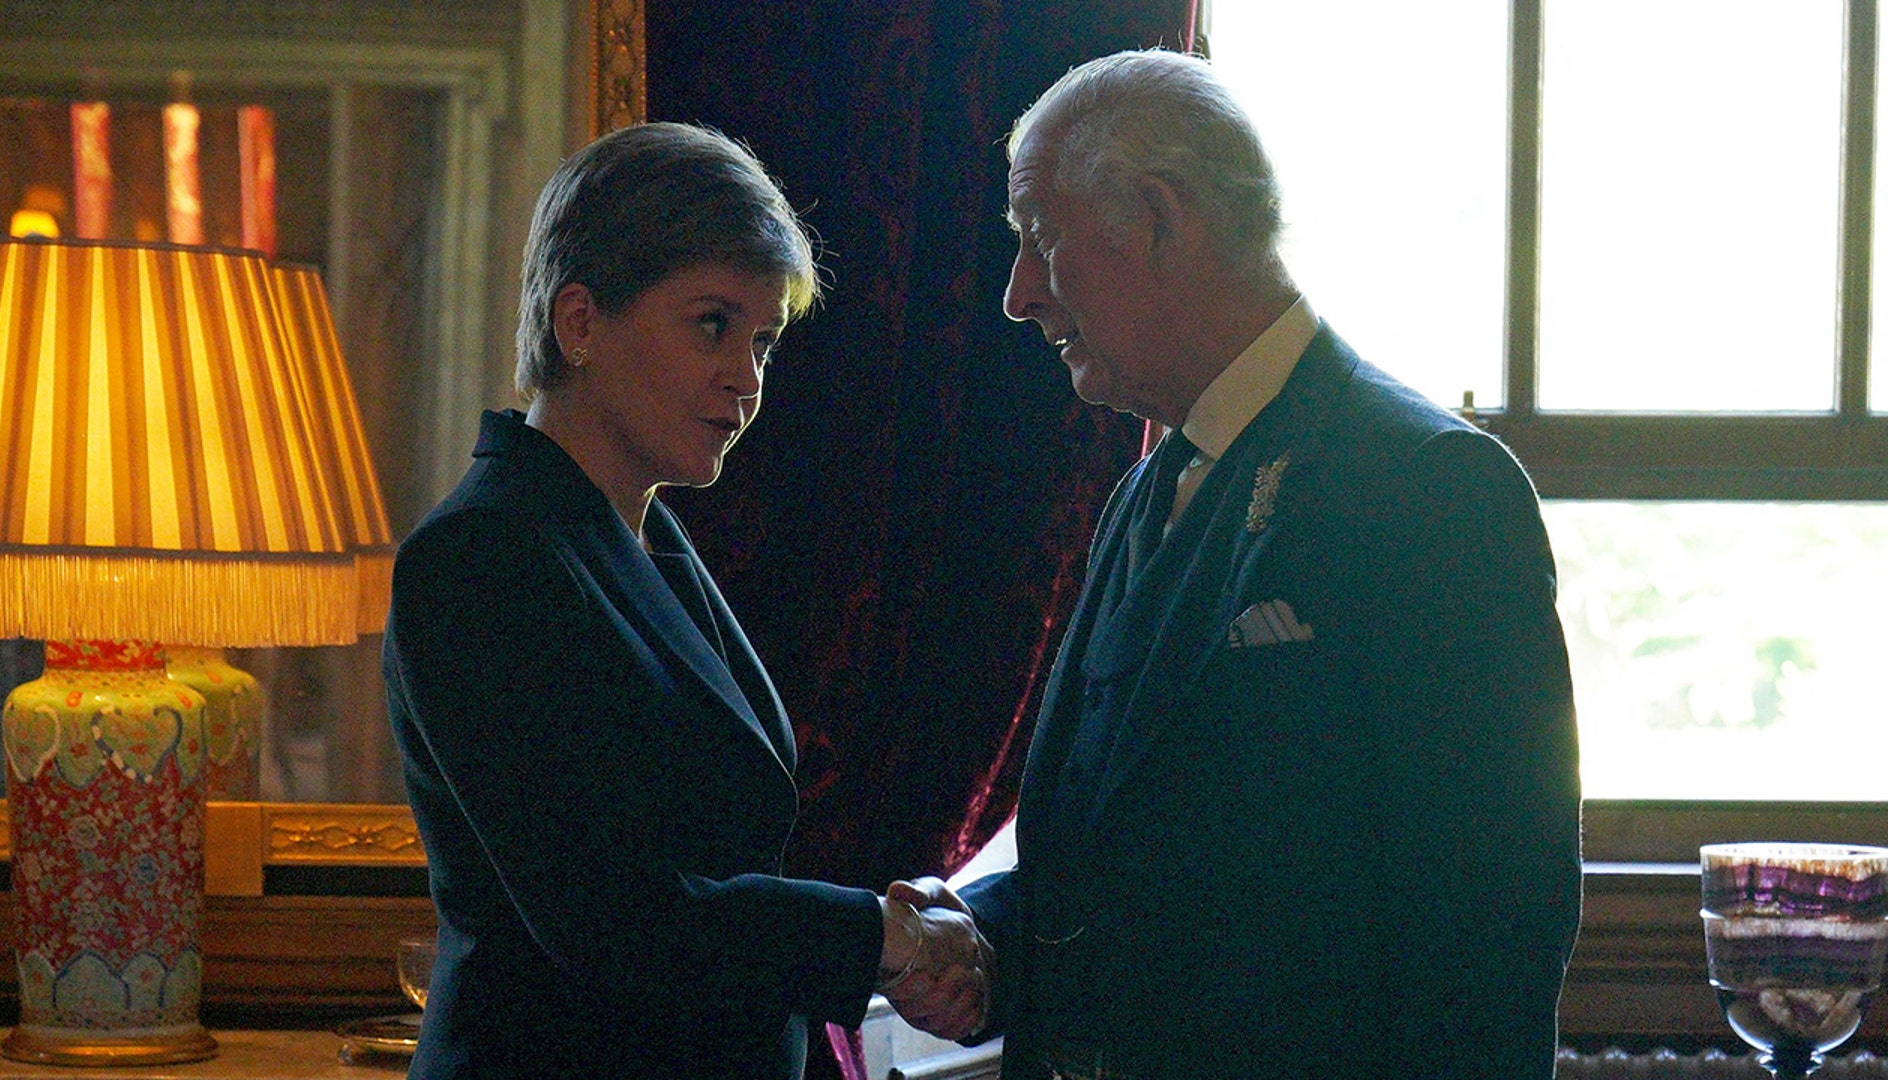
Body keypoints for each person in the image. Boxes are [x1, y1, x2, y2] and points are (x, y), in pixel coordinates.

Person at [886, 50, 1582, 1079]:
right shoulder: (1144, 491)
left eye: (1040, 239)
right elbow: (1130, 848)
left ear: (1162, 217)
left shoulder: (1429, 487)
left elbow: (1488, 929)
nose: (1017, 294)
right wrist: (981, 934)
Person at [382, 122, 985, 1079]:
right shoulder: (482, 554)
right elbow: (611, 922)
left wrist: (886, 931)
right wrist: (881, 937)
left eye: (764, 341)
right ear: (578, 324)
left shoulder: (640, 533)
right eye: (711, 324)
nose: (745, 380)